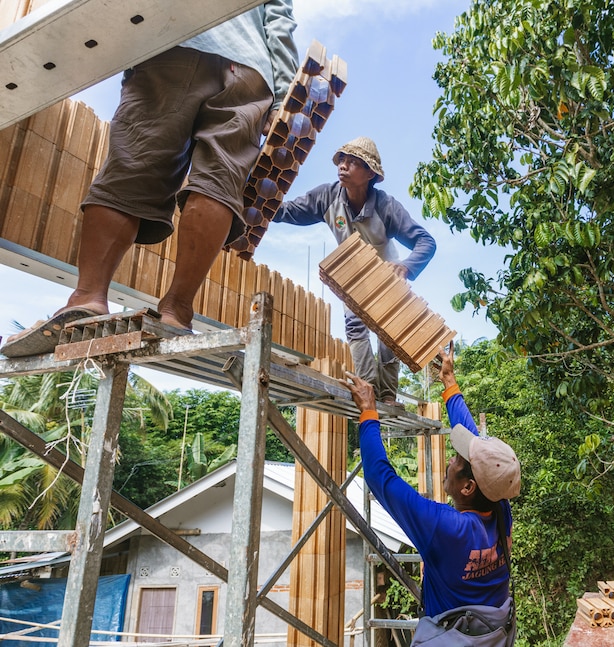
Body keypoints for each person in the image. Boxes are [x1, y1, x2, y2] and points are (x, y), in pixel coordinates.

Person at [1, 1, 299, 358]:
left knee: (133, 166)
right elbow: (280, 21)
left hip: (175, 38)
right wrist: (283, 98)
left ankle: (88, 297)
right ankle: (177, 309)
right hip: (250, 70)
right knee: (218, 180)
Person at [340, 344, 520, 643]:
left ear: (468, 486)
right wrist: (449, 381)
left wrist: (369, 412)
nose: (451, 459)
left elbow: (379, 476)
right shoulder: (499, 505)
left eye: (457, 460)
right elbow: (474, 440)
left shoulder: (446, 527)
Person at [275, 136, 436, 405]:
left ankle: (387, 393)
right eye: (341, 160)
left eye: (352, 162)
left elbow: (425, 241)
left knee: (387, 332)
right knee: (355, 327)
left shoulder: (386, 206)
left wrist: (406, 267)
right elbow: (289, 211)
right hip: (353, 276)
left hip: (386, 275)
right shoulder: (327, 196)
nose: (343, 166)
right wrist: (262, 205)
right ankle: (368, 387)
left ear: (370, 173)